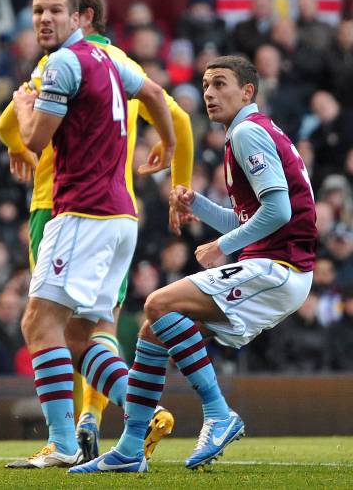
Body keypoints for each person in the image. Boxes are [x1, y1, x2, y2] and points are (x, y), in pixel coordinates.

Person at [73, 55, 317, 473]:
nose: (209, 93)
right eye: (205, 85)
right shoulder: (248, 134)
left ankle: (219, 414)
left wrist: (222, 246)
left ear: (247, 92)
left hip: (280, 268)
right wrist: (197, 205)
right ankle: (131, 449)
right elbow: (250, 215)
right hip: (277, 268)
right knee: (153, 330)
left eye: (220, 84)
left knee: (158, 303)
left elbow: (278, 212)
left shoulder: (247, 134)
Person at [0, 0, 193, 463]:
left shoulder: (61, 64)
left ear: (77, 18)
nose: (44, 19)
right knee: (83, 334)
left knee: (39, 322)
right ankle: (139, 415)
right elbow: (153, 93)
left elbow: (36, 139)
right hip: (122, 215)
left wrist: (24, 111)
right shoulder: (113, 61)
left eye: (54, 11)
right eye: (38, 11)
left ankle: (63, 443)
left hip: (80, 212)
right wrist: (167, 146)